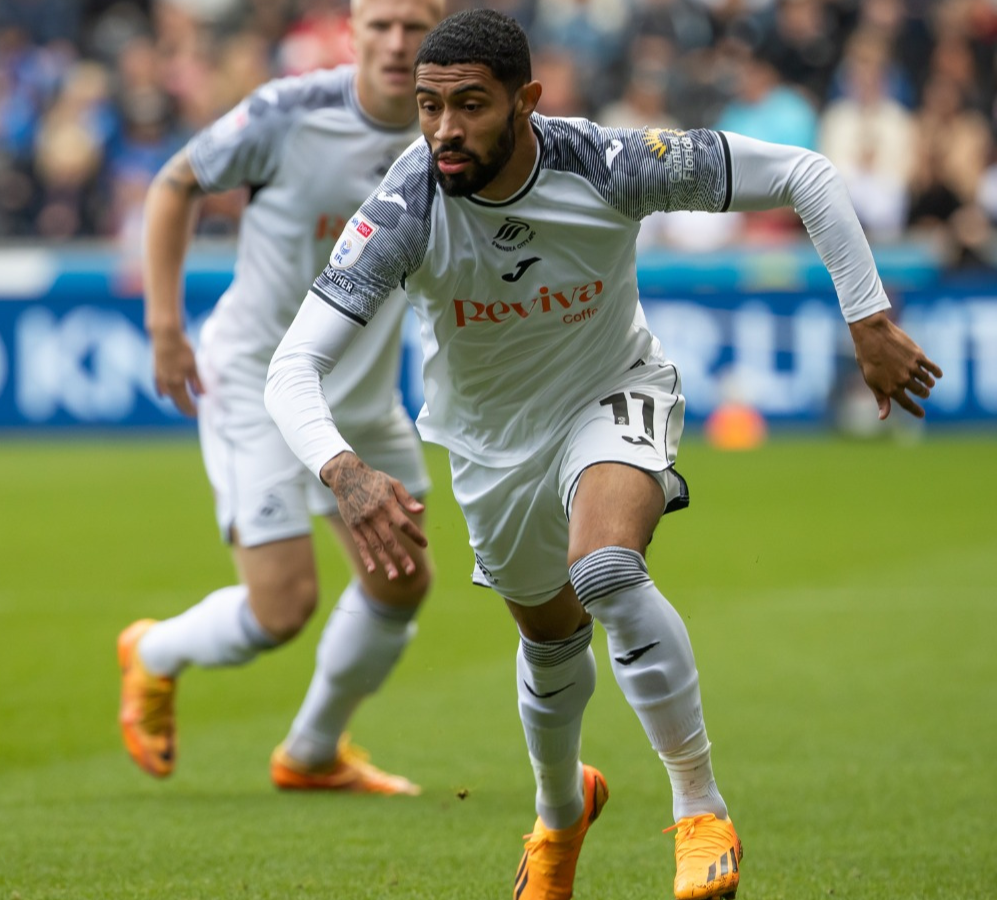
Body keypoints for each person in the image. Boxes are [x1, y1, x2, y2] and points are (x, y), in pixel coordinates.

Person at [264, 9, 941, 899]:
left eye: (470, 105)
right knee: (550, 646)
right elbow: (290, 369)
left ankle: (700, 809)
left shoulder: (611, 163)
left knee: (607, 567)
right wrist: (344, 471)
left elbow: (808, 175)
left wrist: (868, 316)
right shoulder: (407, 205)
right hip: (489, 442)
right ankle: (558, 814)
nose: (445, 130)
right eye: (430, 107)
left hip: (611, 390)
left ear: (527, 101)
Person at [118, 0, 445, 796]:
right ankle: (153, 653)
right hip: (259, 381)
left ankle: (311, 752)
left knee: (401, 580)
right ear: (354, 29)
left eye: (416, 27)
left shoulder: (458, 129)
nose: (398, 44)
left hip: (361, 399)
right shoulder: (290, 113)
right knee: (282, 607)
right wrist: (165, 325)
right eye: (383, 25)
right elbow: (175, 183)